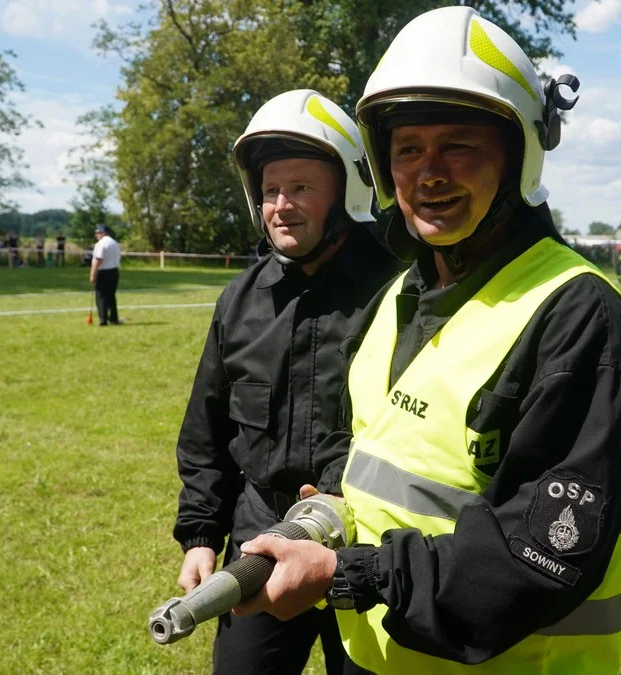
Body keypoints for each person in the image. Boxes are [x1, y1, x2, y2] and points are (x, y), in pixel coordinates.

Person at [232, 9, 621, 674]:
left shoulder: (580, 318)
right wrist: (329, 505)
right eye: (409, 149)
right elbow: (380, 450)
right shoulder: (402, 297)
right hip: (379, 652)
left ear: (517, 155)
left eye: (458, 146)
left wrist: (351, 571)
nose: (429, 173)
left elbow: (540, 553)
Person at [171, 89, 400, 675]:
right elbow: (207, 431)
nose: (281, 205)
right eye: (271, 190)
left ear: (347, 193)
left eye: (301, 187)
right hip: (260, 538)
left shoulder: (402, 292)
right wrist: (201, 534)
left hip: (370, 548)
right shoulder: (240, 301)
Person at [89, 225, 121, 325]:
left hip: (104, 272)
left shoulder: (101, 244)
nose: (96, 235)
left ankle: (103, 319)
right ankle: (113, 318)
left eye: (97, 233)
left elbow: (98, 260)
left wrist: (93, 275)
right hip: (114, 271)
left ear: (103, 233)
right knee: (111, 296)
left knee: (101, 296)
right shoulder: (115, 243)